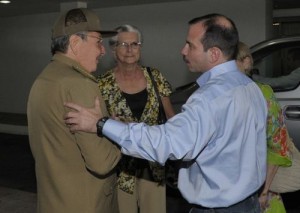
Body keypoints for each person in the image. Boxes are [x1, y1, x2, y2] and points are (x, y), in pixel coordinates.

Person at [64, 13, 268, 212]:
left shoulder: (209, 98)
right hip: (248, 203)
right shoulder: (250, 87)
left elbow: (167, 142)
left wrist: (101, 124)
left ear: (214, 53)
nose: (183, 51)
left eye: (191, 45)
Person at [27, 8, 121, 213]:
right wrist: (117, 133)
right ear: (76, 43)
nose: (103, 50)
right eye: (98, 41)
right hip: (86, 204)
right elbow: (101, 163)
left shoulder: (44, 79)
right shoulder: (79, 84)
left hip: (54, 201)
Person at [98, 24, 175, 213]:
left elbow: (171, 118)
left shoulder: (155, 76)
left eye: (135, 44)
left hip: (154, 166)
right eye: (123, 44)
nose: (130, 50)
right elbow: (98, 123)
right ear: (113, 49)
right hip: (121, 168)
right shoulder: (102, 84)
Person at [236, 41, 292, 212]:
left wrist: (264, 191)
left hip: (256, 189)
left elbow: (276, 147)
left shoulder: (263, 95)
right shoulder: (213, 95)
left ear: (246, 62)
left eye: (230, 63)